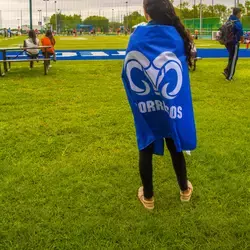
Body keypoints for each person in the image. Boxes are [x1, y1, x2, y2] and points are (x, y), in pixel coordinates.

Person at [122, 0, 196, 210]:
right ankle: (184, 190)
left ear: (146, 11)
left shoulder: (137, 35)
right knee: (174, 144)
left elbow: (128, 69)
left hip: (146, 103)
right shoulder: (176, 35)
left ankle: (148, 198)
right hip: (170, 102)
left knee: (145, 144)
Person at [223, 8, 244, 81]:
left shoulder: (229, 20)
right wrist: (242, 40)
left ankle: (227, 70)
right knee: (234, 59)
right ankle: (229, 77)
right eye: (240, 13)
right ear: (238, 13)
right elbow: (241, 34)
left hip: (227, 42)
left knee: (231, 57)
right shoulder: (237, 22)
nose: (241, 15)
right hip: (234, 42)